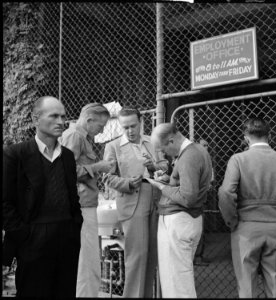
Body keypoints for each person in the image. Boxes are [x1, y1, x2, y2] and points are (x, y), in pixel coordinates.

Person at [2, 96, 83, 297]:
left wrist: (74, 226)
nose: (61, 121)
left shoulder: (67, 156)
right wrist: (23, 235)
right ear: (35, 119)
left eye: (63, 116)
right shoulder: (15, 154)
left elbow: (72, 197)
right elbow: (4, 201)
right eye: (54, 116)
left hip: (66, 237)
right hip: (32, 237)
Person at [218, 118, 276, 298]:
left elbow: (225, 193)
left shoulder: (238, 159)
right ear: (268, 135)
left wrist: (232, 222)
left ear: (246, 138)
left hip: (245, 228)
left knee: (246, 285)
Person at [102, 107, 168, 298]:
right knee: (137, 256)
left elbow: (164, 166)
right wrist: (127, 183)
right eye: (125, 127)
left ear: (141, 122)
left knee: (152, 256)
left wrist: (153, 166)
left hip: (155, 199)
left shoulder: (152, 142)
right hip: (132, 201)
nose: (130, 131)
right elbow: (107, 177)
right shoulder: (112, 146)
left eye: (133, 126)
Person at [148, 123, 212, 298]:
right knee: (180, 276)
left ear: (171, 140)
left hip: (179, 220)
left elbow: (188, 197)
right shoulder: (198, 150)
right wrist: (171, 179)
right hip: (190, 220)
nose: (164, 154)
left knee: (176, 281)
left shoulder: (188, 156)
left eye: (163, 149)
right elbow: (191, 185)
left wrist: (160, 186)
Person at [60, 103, 115, 297]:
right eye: (100, 126)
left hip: (84, 204)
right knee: (86, 261)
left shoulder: (81, 137)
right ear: (89, 120)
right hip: (81, 206)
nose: (101, 131)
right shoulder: (75, 136)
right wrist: (98, 166)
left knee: (88, 260)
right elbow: (64, 172)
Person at [193, 139, 214, 266]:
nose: (206, 147)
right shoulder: (194, 159)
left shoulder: (208, 159)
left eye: (207, 145)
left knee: (202, 228)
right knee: (197, 228)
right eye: (204, 145)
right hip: (197, 198)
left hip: (204, 196)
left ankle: (199, 255)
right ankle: (196, 257)